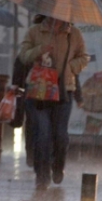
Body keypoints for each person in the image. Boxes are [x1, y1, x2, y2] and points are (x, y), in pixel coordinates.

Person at [19, 16, 88, 190]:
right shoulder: (35, 31)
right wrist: (39, 50)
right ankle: (41, 175)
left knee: (60, 135)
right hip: (39, 92)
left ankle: (58, 166)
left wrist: (71, 66)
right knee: (42, 134)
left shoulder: (74, 34)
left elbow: (84, 57)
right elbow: (23, 56)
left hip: (64, 92)